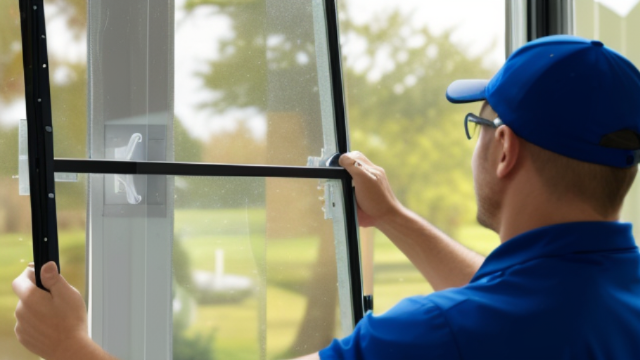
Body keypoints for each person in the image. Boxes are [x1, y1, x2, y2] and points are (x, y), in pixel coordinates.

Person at [13, 34, 640, 359]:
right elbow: (526, 298)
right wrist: (392, 217)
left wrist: (70, 347)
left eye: (478, 125)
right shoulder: (613, 294)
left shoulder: (433, 337)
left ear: (505, 151)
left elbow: (491, 315)